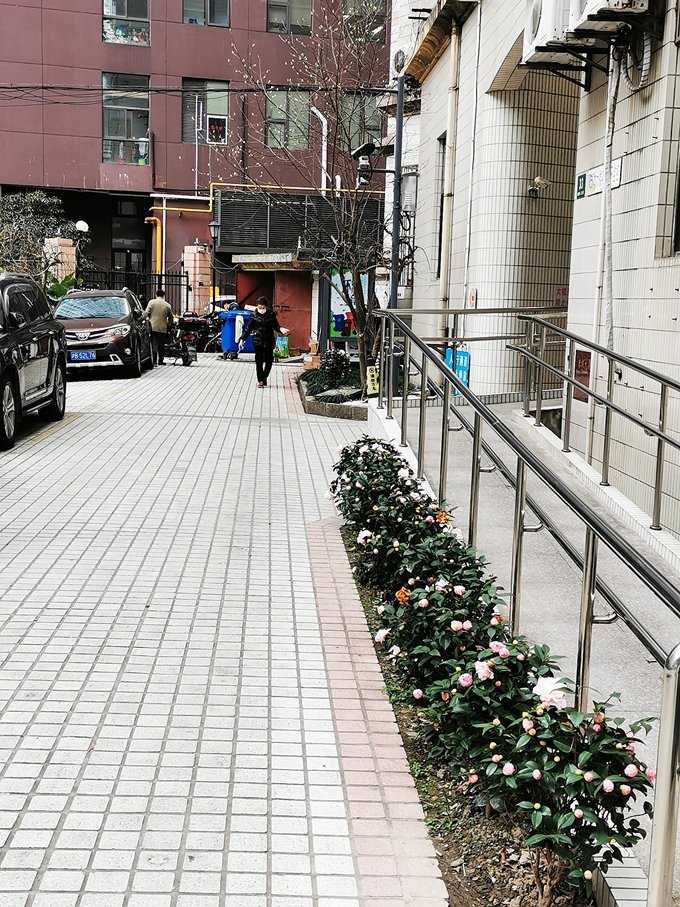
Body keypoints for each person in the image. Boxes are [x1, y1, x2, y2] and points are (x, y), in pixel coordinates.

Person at [239, 297, 287, 388]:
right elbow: (248, 329)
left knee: (269, 361)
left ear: (265, 306)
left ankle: (265, 376)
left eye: (262, 308)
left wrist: (281, 329)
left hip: (269, 341)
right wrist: (242, 339)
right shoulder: (254, 315)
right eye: (259, 308)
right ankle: (260, 380)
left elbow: (275, 326)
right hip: (258, 341)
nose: (261, 310)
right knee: (259, 361)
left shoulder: (271, 314)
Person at [145, 289, 174, 365]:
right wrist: (168, 324)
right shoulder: (167, 305)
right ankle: (161, 360)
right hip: (163, 327)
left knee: (154, 343)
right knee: (161, 345)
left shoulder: (151, 303)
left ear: (156, 295)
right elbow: (171, 317)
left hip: (153, 326)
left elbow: (146, 312)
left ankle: (154, 360)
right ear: (164, 296)